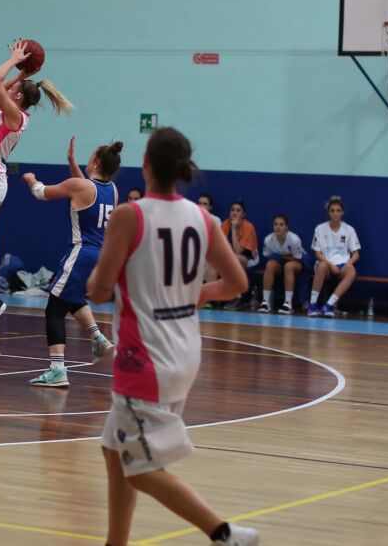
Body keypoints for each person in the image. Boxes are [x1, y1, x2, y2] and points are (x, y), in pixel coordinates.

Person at [86, 127, 259, 546]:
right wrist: (197, 294)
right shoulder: (204, 219)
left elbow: (99, 291)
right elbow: (237, 283)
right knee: (114, 448)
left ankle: (224, 533)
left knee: (140, 468)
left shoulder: (130, 216)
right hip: (185, 353)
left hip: (145, 358)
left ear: (146, 164)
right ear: (182, 170)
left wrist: (108, 275)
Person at [0, 39, 73, 334]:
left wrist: (14, 60)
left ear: (17, 96)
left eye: (13, 89)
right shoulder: (4, 112)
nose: (6, 89)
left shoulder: (15, 116)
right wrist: (22, 74)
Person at [21, 136, 119, 387]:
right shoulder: (112, 190)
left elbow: (41, 193)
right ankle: (98, 338)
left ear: (96, 162)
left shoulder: (81, 186)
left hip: (81, 253)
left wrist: (31, 179)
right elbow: (84, 190)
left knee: (54, 308)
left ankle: (57, 370)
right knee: (71, 298)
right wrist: (72, 162)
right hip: (100, 256)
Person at [308, 196, 360, 317]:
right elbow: (317, 253)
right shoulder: (320, 228)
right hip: (326, 263)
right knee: (322, 266)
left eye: (338, 210)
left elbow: (356, 254)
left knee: (352, 271)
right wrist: (330, 265)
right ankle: (312, 305)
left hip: (342, 265)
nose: (335, 213)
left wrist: (348, 263)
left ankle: (329, 305)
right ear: (328, 212)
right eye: (332, 211)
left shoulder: (349, 229)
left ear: (342, 212)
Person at [258, 214, 304, 315]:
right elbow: (268, 256)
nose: (278, 227)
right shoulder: (268, 240)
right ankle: (265, 302)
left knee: (288, 266)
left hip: (296, 263)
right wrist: (280, 258)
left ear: (287, 227)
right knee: (270, 265)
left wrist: (283, 257)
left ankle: (288, 303)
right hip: (279, 262)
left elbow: (298, 258)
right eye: (276, 224)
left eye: (281, 224)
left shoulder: (294, 239)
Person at [221, 201, 258, 310]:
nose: (234, 212)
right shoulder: (225, 224)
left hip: (249, 259)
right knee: (212, 262)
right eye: (232, 210)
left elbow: (238, 251)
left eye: (238, 210)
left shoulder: (248, 227)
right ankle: (211, 299)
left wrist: (233, 229)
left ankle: (238, 298)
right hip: (230, 256)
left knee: (235, 260)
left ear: (243, 214)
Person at [197, 194, 221, 285]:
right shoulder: (191, 218)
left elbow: (217, 243)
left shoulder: (216, 220)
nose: (201, 206)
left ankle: (209, 292)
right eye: (199, 203)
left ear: (210, 207)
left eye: (205, 204)